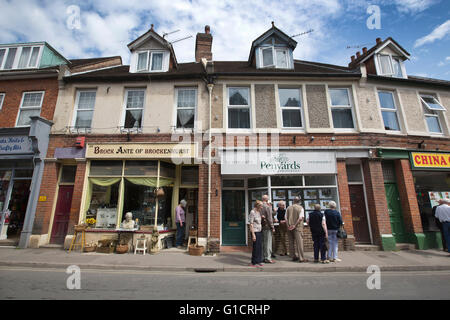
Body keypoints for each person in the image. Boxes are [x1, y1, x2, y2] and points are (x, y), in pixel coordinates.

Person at [286, 197, 307, 262]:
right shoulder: (300, 208)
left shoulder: (288, 208)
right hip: (297, 227)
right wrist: (294, 225)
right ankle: (301, 258)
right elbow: (300, 218)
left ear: (293, 201)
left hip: (289, 227)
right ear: (299, 201)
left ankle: (293, 256)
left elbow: (286, 218)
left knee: (291, 242)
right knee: (299, 242)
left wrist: (288, 226)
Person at [261, 195, 276, 263]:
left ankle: (263, 257)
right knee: (268, 243)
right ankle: (267, 258)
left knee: (263, 242)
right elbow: (270, 218)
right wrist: (272, 227)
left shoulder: (259, 206)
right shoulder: (267, 207)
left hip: (261, 226)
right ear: (267, 199)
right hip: (267, 226)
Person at [249, 200, 264, 267]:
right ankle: (253, 262)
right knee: (255, 247)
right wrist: (253, 235)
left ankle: (259, 261)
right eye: (261, 206)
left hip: (259, 231)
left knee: (259, 247)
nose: (262, 207)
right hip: (254, 231)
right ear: (257, 206)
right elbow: (251, 224)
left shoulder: (259, 212)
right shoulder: (252, 212)